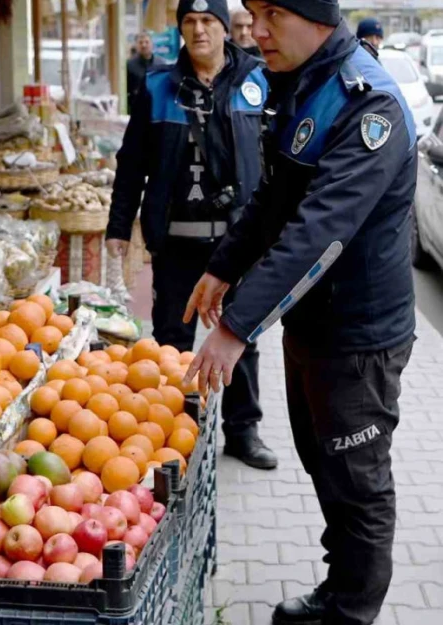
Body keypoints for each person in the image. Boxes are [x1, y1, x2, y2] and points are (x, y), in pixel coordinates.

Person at [184, 1, 416, 623]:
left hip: (360, 337)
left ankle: (351, 612)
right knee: (323, 464)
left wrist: (236, 328)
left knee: (359, 484)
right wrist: (223, 265)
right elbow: (273, 197)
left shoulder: (371, 106)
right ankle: (336, 587)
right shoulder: (301, 81)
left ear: (315, 17)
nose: (254, 32)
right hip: (312, 326)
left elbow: (319, 233)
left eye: (271, 15)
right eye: (252, 13)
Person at [108, 0, 276, 470]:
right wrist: (119, 227)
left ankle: (243, 432)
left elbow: (278, 161)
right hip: (177, 243)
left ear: (224, 28)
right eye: (189, 21)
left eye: (208, 21)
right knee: (170, 342)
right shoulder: (158, 85)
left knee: (241, 335)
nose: (199, 30)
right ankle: (174, 433)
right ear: (180, 29)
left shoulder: (257, 80)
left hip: (238, 242)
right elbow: (131, 163)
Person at [126, 32, 161, 107]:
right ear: (136, 45)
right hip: (136, 108)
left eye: (147, 42)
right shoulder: (129, 65)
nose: (144, 45)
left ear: (152, 44)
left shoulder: (160, 64)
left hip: (156, 107)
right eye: (140, 42)